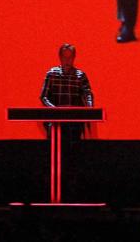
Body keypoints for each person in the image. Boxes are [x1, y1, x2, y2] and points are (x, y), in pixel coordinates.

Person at [39, 43, 93, 201]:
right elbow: (43, 96)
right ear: (60, 57)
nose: (67, 60)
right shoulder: (52, 73)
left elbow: (88, 93)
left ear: (74, 58)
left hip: (74, 124)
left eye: (70, 57)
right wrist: (55, 110)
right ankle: (52, 193)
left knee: (74, 156)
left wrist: (89, 109)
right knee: (55, 157)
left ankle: (73, 192)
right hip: (56, 124)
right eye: (64, 57)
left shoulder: (80, 75)